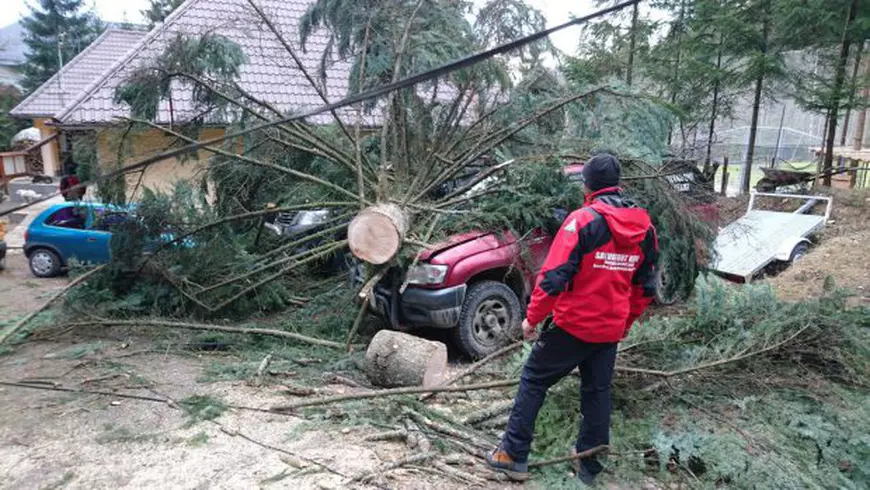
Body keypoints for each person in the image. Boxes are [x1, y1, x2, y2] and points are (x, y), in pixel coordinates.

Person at [486, 153, 660, 485]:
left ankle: (512, 455)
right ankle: (589, 468)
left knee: (534, 380)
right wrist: (623, 323)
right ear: (617, 184)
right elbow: (645, 287)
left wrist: (532, 318)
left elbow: (552, 278)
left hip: (572, 325)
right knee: (597, 393)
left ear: (588, 186)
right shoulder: (646, 230)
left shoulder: (581, 222)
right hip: (608, 330)